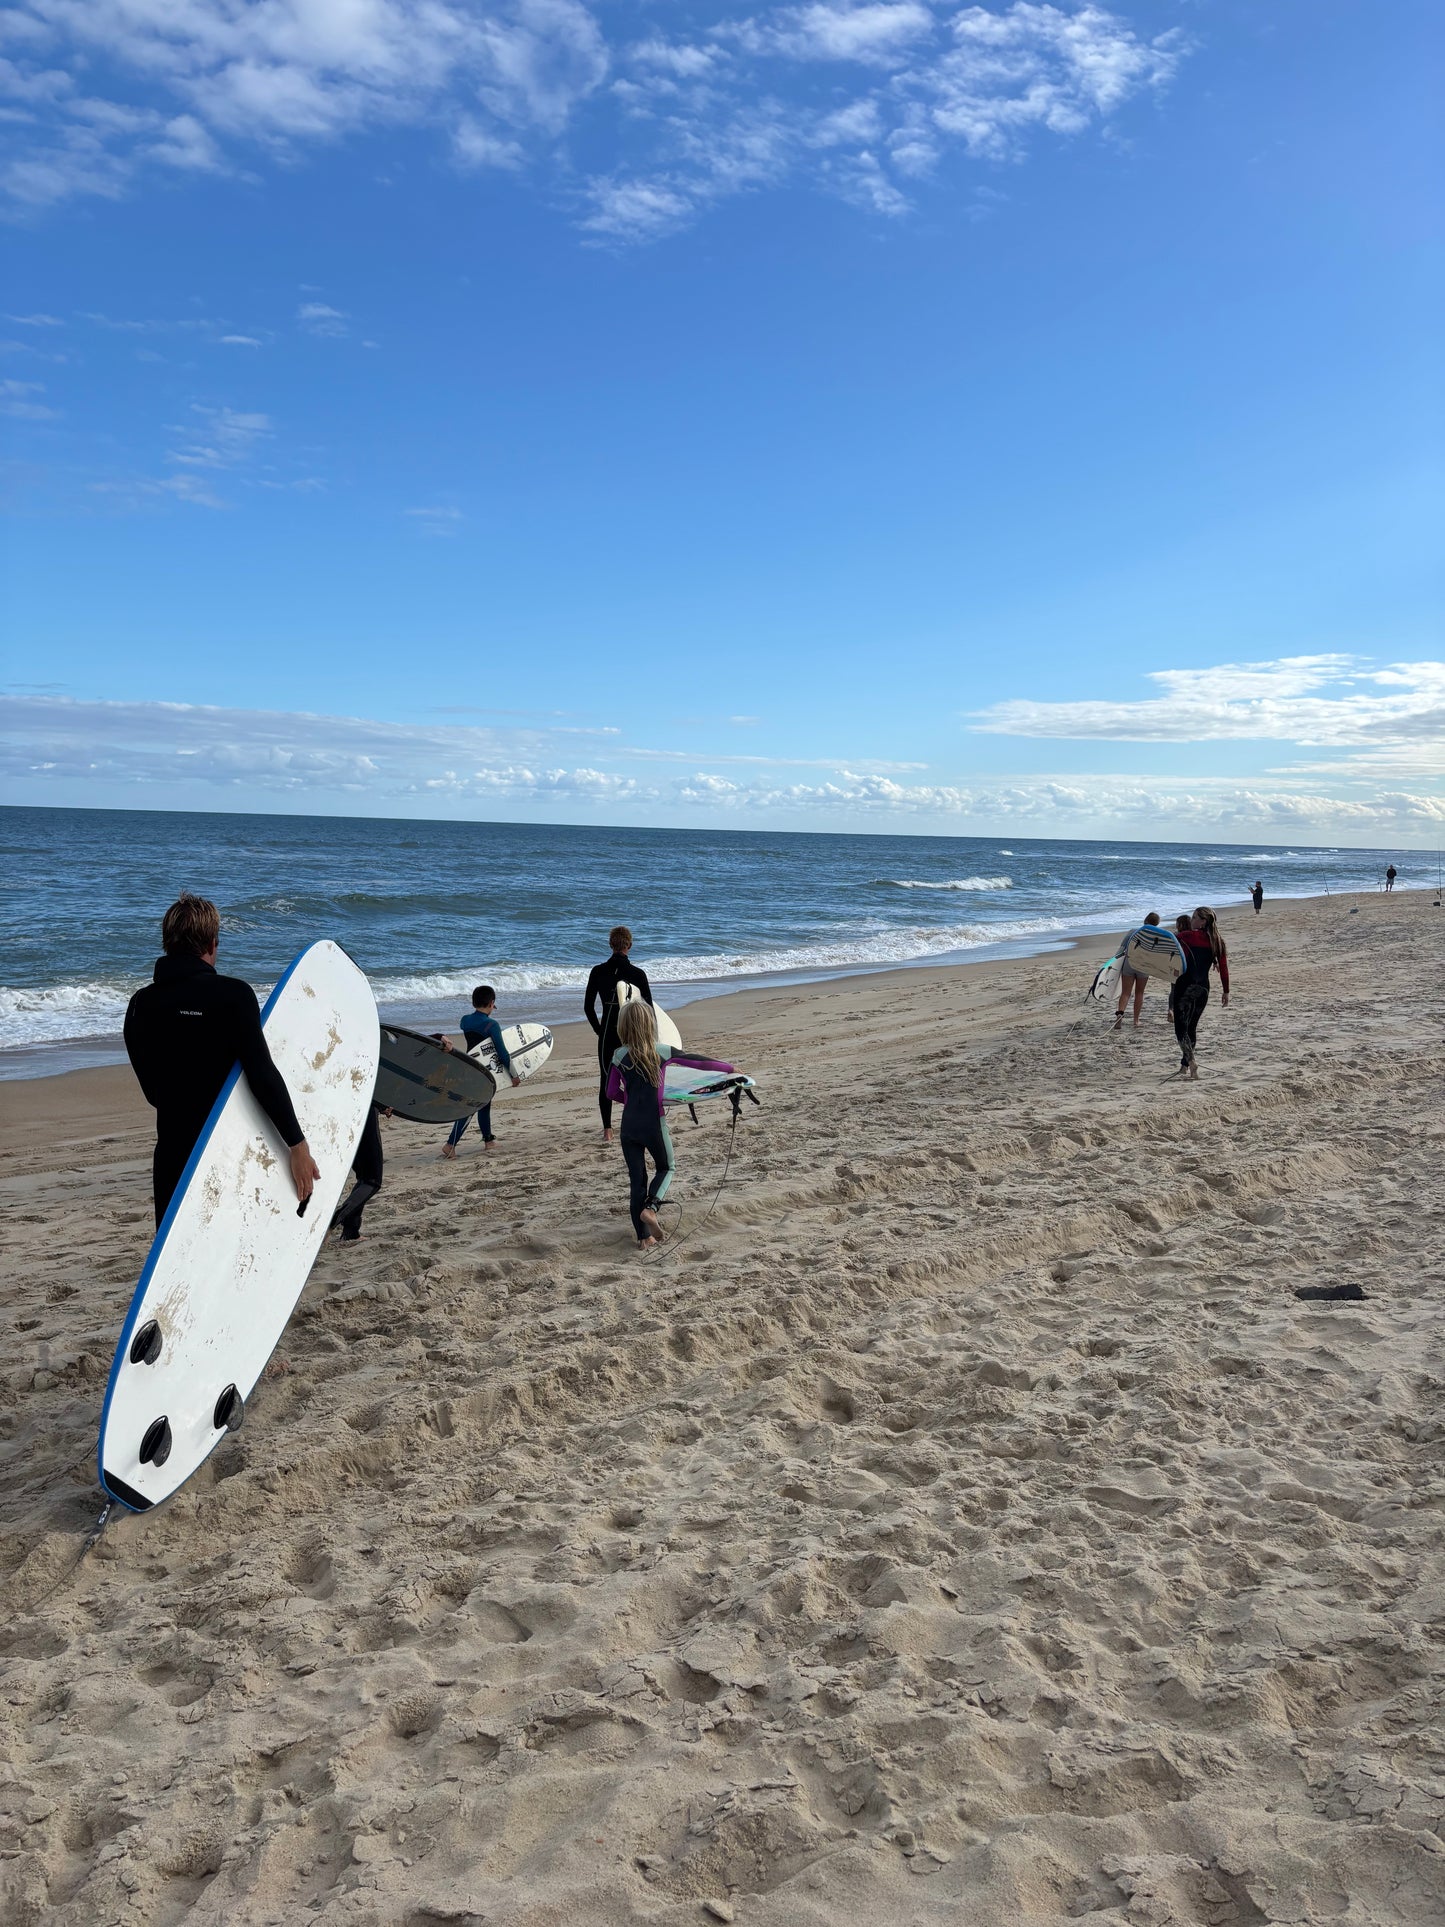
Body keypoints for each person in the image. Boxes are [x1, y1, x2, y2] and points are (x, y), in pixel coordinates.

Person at [124, 893, 319, 1226]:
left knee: (176, 1253)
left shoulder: (141, 1004)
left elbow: (154, 1093)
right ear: (213, 943)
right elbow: (262, 1074)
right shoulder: (234, 995)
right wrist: (297, 1144)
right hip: (228, 1149)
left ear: (166, 943)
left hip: (173, 1155)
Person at [606, 1000, 734, 1247]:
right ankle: (652, 1208)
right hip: (654, 1122)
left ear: (623, 1027)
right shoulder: (662, 1051)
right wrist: (729, 1068)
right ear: (650, 1025)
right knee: (667, 1167)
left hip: (629, 1126)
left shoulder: (618, 1056)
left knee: (637, 1180)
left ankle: (644, 1238)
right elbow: (698, 1061)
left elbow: (611, 1092)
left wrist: (630, 1100)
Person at [584, 926, 653, 1142]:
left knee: (606, 1078)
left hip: (607, 1033)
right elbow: (648, 1008)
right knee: (635, 1076)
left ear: (610, 945)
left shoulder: (597, 971)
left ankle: (607, 1130)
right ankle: (633, 1121)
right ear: (629, 945)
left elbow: (588, 1007)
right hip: (632, 1032)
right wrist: (647, 1034)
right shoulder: (637, 974)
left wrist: (599, 1029)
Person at [442, 985, 521, 1159]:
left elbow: (477, 1035)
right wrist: (514, 1075)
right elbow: (502, 1053)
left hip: (469, 1065)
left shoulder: (465, 1021)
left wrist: (487, 1008)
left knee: (484, 1103)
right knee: (471, 1107)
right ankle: (450, 1145)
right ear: (492, 1002)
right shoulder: (491, 1024)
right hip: (484, 1071)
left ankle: (488, 1141)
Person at [1173, 905, 1230, 1080]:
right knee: (1192, 1027)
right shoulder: (1218, 941)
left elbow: (1167, 941)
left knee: (1180, 1029)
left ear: (1203, 921)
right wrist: (1226, 991)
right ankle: (1184, 1067)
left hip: (1185, 986)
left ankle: (1191, 1063)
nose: (1192, 920)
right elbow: (1223, 968)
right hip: (1203, 989)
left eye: (1195, 917)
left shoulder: (1188, 936)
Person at [331, 1101, 385, 1242]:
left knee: (363, 1176)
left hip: (343, 1110)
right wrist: (382, 1103)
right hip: (364, 1108)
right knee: (372, 1181)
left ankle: (351, 1231)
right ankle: (331, 1223)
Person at [1111, 911, 1161, 1031]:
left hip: (1129, 963)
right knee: (1139, 993)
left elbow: (1121, 949)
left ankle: (1120, 1014)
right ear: (1157, 924)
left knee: (1125, 993)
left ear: (1145, 920)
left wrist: (1114, 963)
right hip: (1143, 965)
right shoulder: (1157, 936)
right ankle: (1136, 1020)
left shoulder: (1133, 931)